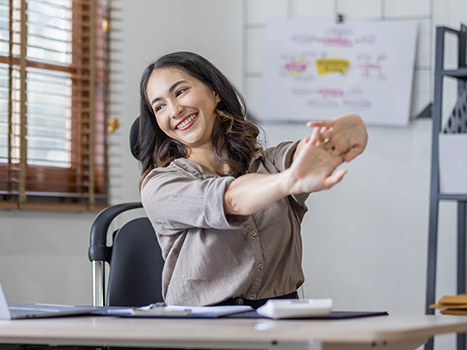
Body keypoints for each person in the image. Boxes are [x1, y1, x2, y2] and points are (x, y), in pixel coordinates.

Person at [137, 51, 367, 307]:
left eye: (180, 92)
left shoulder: (268, 162)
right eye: (160, 106)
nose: (175, 110)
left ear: (214, 92)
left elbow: (304, 153)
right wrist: (288, 181)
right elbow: (232, 199)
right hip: (202, 328)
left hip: (282, 320)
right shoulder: (159, 187)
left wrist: (339, 137)